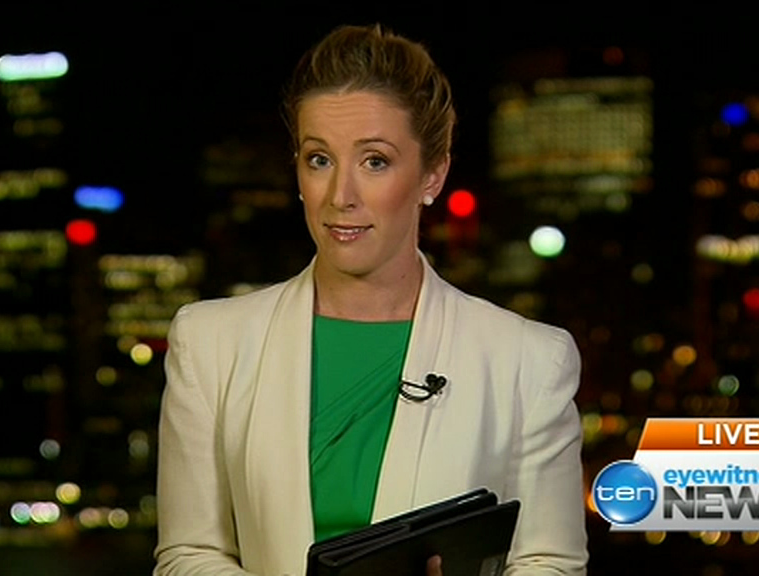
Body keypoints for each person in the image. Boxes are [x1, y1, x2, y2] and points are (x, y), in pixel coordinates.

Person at [154, 23, 588, 576]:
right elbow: (189, 554)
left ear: (433, 174)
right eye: (319, 159)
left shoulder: (529, 360)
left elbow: (550, 563)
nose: (341, 196)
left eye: (375, 161)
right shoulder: (209, 343)